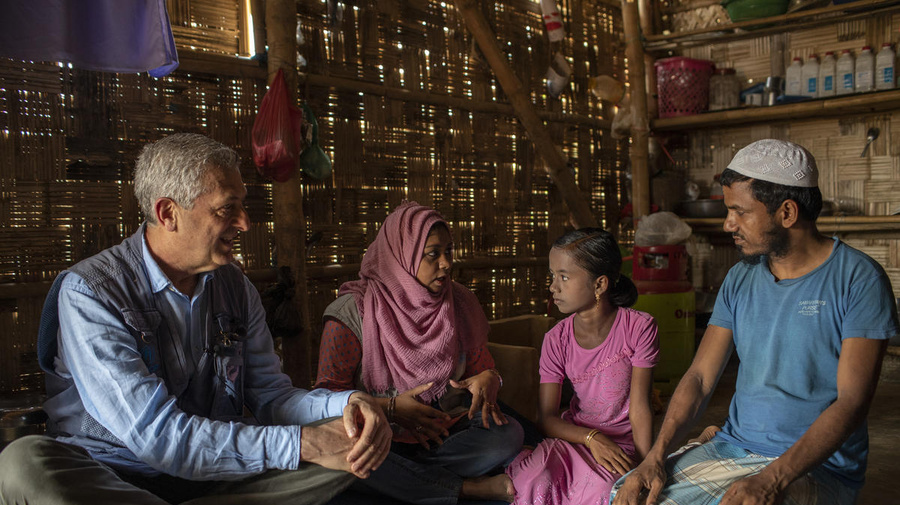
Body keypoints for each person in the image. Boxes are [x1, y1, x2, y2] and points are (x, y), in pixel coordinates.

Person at [0, 133, 392, 505]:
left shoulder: (235, 286)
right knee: (23, 464)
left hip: (214, 474)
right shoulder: (91, 292)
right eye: (227, 209)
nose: (244, 223)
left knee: (353, 451)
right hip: (114, 477)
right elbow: (155, 437)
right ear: (168, 212)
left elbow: (273, 397)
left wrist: (346, 404)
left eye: (242, 205)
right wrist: (303, 443)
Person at [612, 139, 900, 505]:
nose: (728, 223)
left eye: (740, 212)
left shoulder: (859, 279)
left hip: (817, 467)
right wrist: (654, 457)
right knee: (627, 495)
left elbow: (851, 403)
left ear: (787, 213)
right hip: (735, 447)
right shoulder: (740, 278)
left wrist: (771, 480)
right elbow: (700, 379)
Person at [315, 201, 524, 504]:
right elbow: (324, 400)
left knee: (509, 436)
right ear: (401, 255)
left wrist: (490, 380)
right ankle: (462, 488)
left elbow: (482, 371)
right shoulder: (350, 315)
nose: (446, 264)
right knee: (340, 451)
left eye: (449, 251)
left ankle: (406, 484)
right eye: (432, 254)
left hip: (447, 433)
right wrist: (389, 408)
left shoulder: (461, 303)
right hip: (379, 438)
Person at [477, 228, 658, 504]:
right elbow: (547, 419)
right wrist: (590, 437)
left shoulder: (638, 328)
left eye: (563, 276)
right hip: (575, 439)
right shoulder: (556, 339)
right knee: (534, 481)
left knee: (603, 491)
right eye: (552, 276)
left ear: (599, 285)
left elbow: (641, 408)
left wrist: (644, 467)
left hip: (621, 446)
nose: (553, 287)